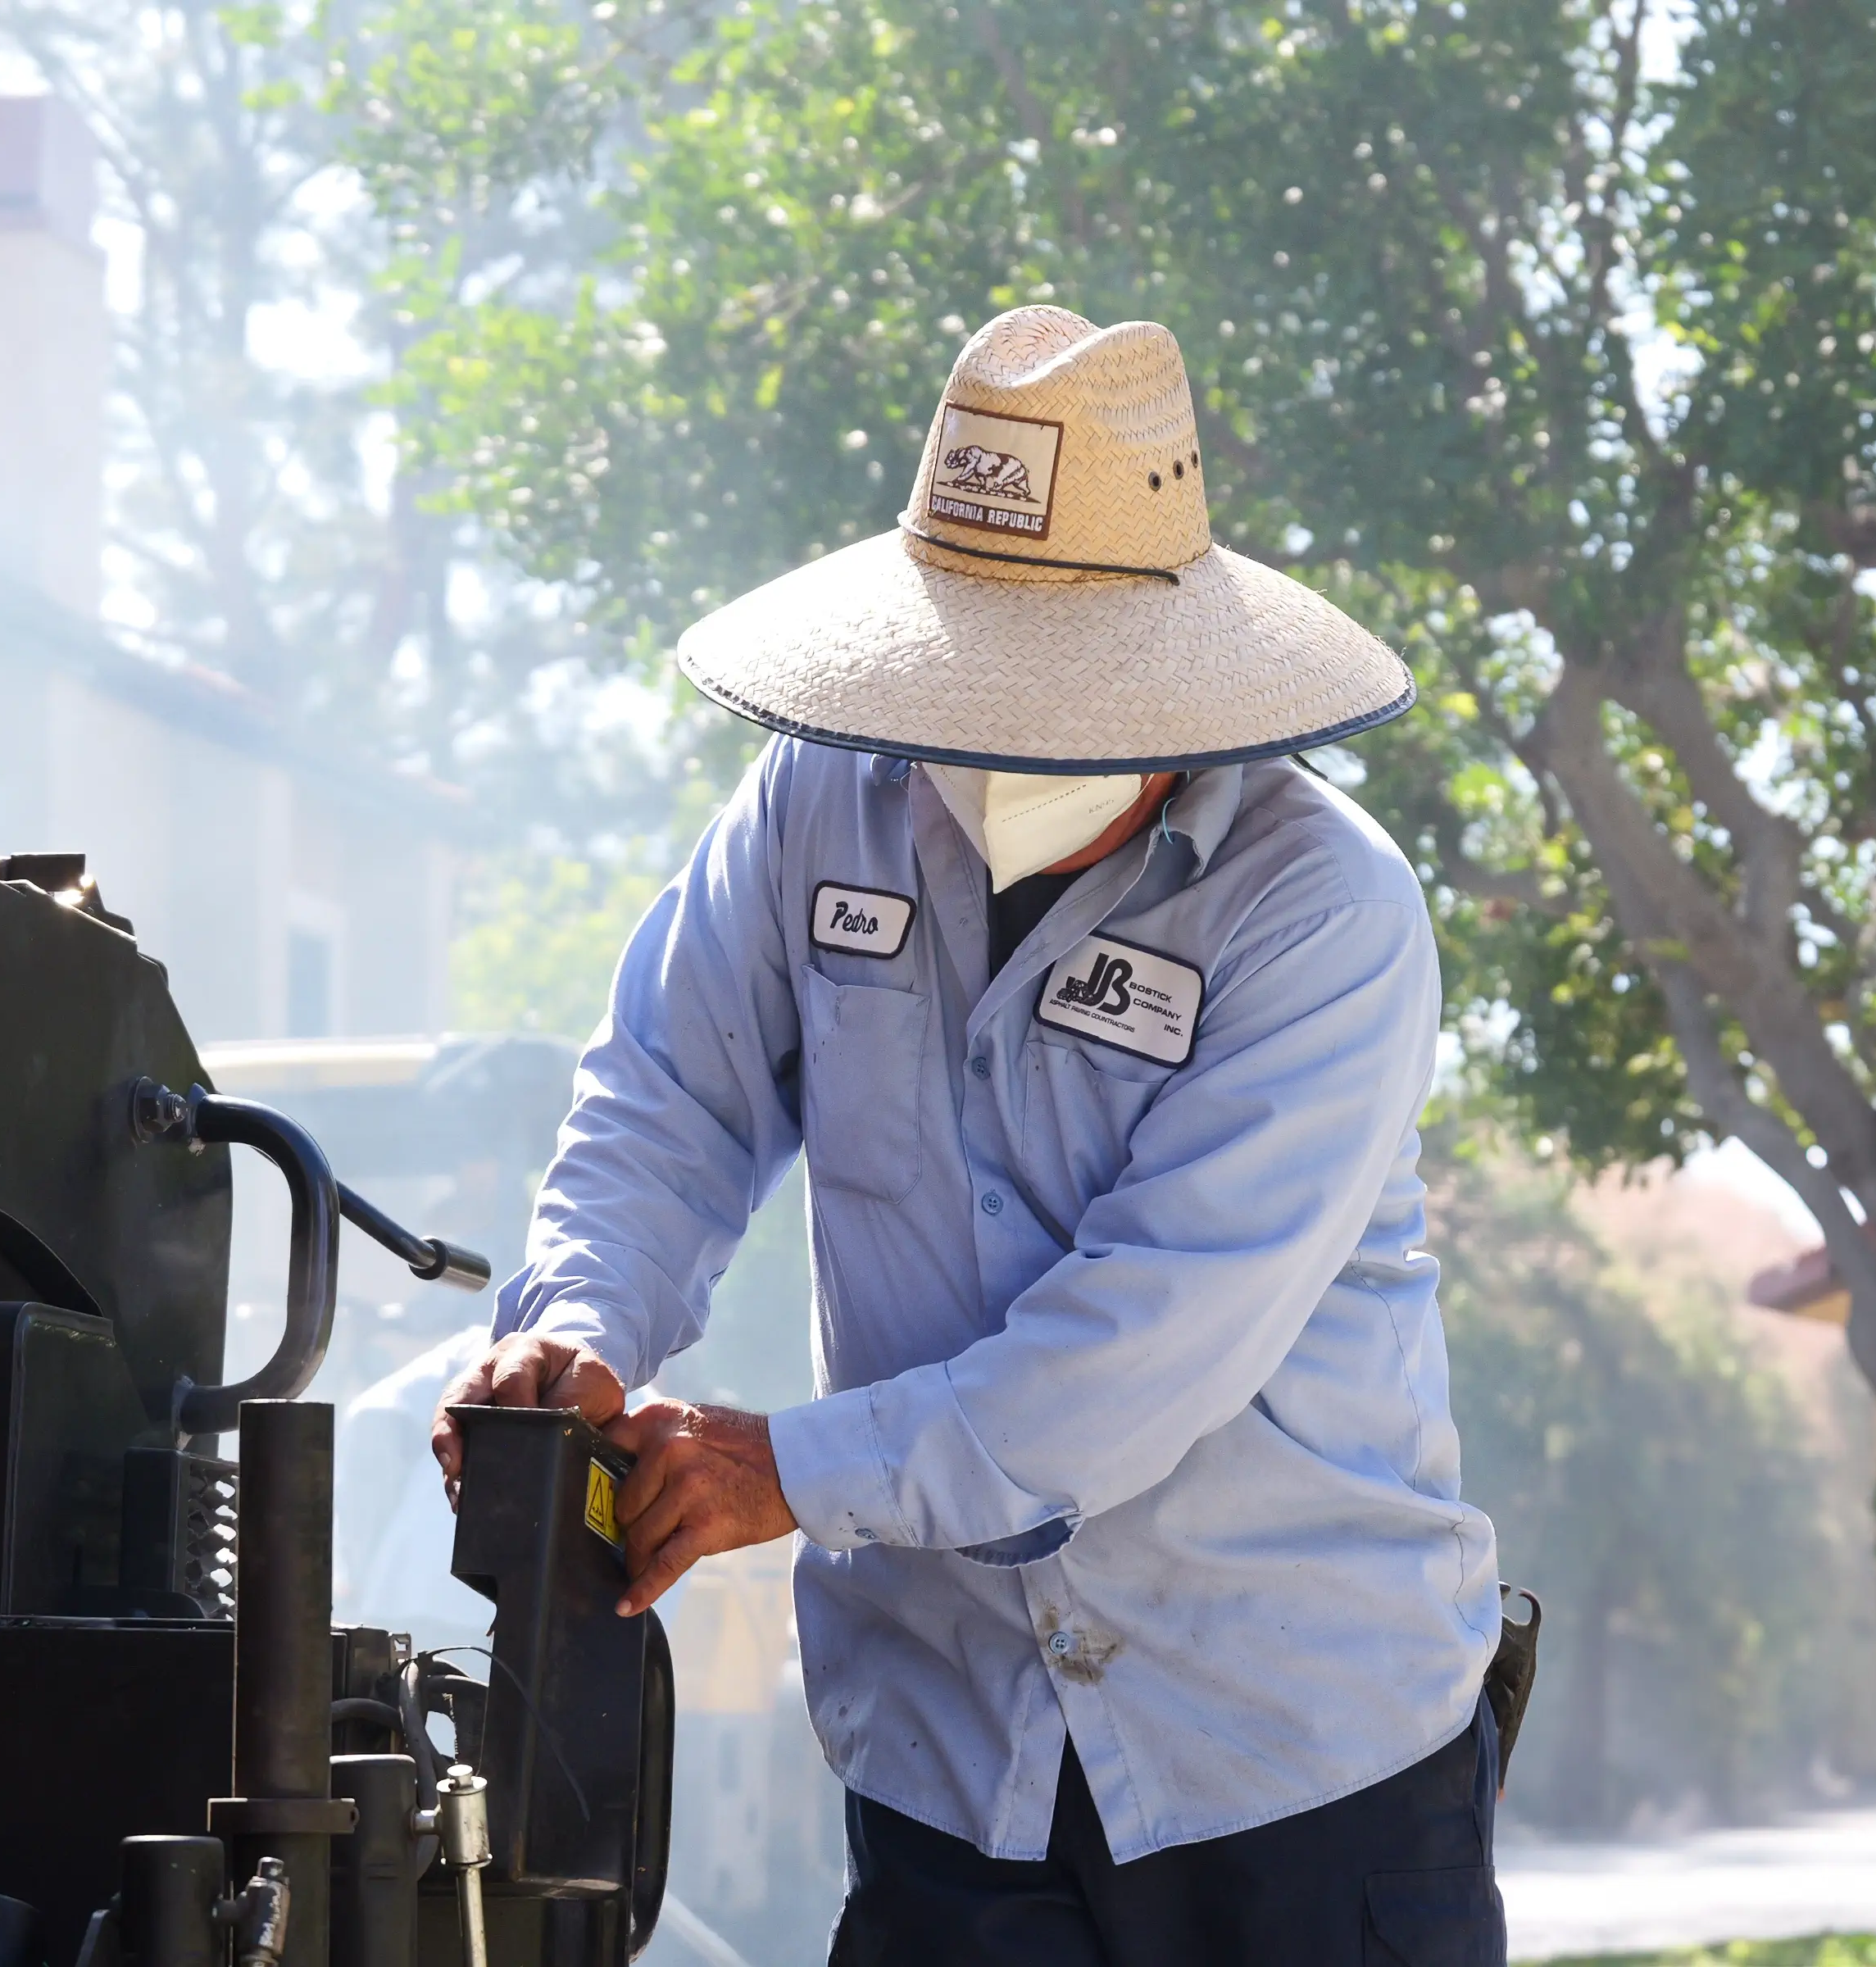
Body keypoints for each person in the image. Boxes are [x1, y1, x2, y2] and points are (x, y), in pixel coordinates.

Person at [434, 304, 1506, 1965]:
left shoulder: (1326, 913)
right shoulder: (814, 805)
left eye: (1052, 691)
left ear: (1174, 679)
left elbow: (1138, 1350)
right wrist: (576, 1326)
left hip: (1299, 1767)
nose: (995, 745)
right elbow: (667, 1101)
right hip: (950, 1766)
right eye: (974, 678)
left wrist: (784, 1469)